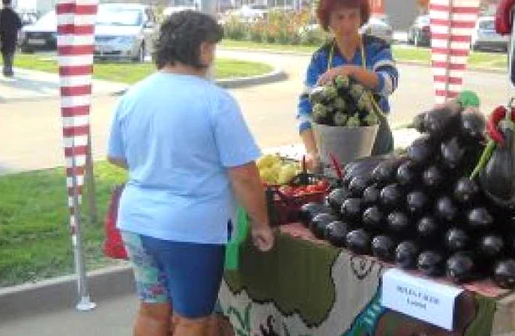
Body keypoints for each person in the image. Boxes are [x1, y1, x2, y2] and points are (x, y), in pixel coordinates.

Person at [106, 10, 275, 336]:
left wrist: (159, 166)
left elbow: (117, 156)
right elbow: (243, 174)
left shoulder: (134, 94)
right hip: (191, 230)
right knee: (191, 320)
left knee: (152, 313)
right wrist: (260, 223)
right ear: (202, 49)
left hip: (137, 224)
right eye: (213, 47)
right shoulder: (216, 101)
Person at [297, 0, 399, 170]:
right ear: (328, 21)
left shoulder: (377, 48)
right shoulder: (320, 58)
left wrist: (350, 71)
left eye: (353, 16)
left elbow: (389, 82)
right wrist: (312, 152)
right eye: (339, 17)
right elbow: (305, 108)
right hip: (334, 158)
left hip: (378, 154)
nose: (347, 24)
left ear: (361, 18)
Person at [0, 0, 22, 77]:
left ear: (2, 3)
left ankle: (6, 68)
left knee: (4, 52)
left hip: (3, 36)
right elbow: (19, 25)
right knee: (11, 52)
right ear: (10, 3)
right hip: (12, 36)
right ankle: (9, 68)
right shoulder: (14, 13)